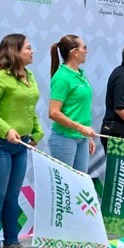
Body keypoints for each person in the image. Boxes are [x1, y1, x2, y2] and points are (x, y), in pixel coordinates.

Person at [0, 34, 43, 248]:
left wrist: (36, 131)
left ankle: (12, 243)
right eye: (28, 48)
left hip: (19, 145)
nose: (32, 51)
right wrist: (6, 130)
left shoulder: (29, 76)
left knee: (12, 197)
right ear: (15, 51)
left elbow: (29, 108)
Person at [48, 35, 96, 174]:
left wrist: (87, 136)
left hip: (82, 137)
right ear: (75, 52)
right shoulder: (62, 77)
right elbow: (53, 113)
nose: (86, 51)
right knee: (65, 183)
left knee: (80, 183)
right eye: (84, 48)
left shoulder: (80, 75)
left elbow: (81, 109)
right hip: (65, 137)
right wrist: (80, 128)